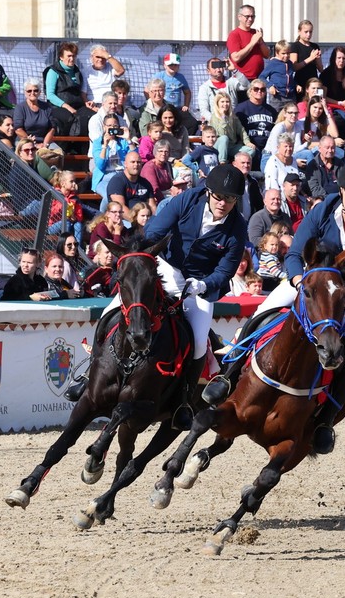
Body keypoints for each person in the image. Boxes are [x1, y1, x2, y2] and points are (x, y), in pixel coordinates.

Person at [227, 160, 345, 454]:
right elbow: (296, 251)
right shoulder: (323, 210)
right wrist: (297, 279)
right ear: (342, 191)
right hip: (310, 282)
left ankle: (325, 421)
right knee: (259, 315)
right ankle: (226, 378)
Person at [99, 162, 247, 426]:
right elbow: (154, 232)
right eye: (219, 197)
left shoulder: (237, 227)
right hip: (166, 266)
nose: (223, 203)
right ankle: (91, 373)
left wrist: (204, 284)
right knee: (113, 308)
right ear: (208, 192)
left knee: (200, 341)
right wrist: (147, 261)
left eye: (231, 199)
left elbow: (226, 270)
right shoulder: (187, 200)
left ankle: (183, 400)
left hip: (199, 284)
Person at [45, 42, 96, 136]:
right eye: (69, 56)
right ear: (61, 57)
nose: (72, 59)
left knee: (92, 116)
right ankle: (66, 146)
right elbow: (50, 95)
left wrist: (86, 103)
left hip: (78, 106)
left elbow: (79, 92)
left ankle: (83, 146)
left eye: (74, 56)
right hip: (58, 107)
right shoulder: (53, 71)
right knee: (69, 118)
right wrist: (67, 107)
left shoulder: (77, 71)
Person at [227, 4, 270, 81]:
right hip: (242, 80)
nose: (250, 19)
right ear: (239, 17)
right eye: (247, 16)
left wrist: (260, 41)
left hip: (258, 78)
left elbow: (267, 55)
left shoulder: (255, 33)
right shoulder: (234, 34)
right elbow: (236, 57)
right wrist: (252, 43)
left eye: (252, 16)